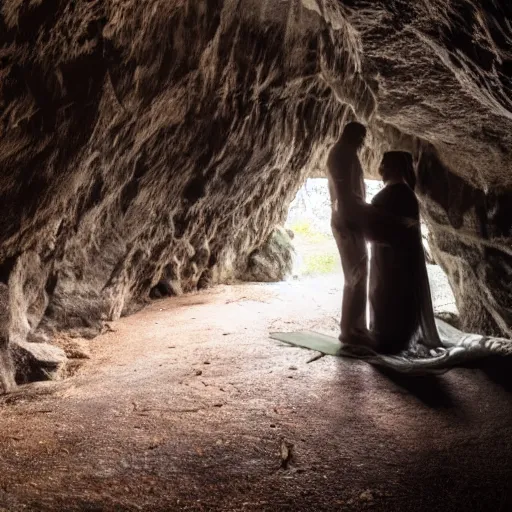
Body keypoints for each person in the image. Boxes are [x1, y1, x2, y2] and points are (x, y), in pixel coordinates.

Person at [367, 151, 442, 354]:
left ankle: (390, 340)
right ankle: (394, 339)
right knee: (392, 295)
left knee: (389, 295)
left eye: (384, 165)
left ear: (392, 168)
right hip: (396, 258)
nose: (381, 169)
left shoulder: (396, 194)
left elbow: (391, 229)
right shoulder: (406, 194)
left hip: (390, 259)